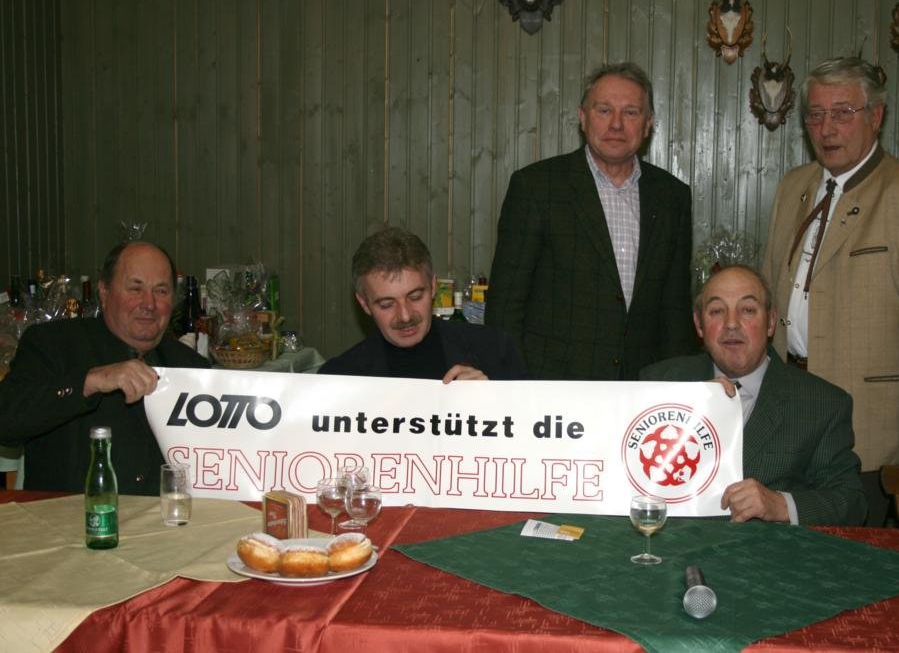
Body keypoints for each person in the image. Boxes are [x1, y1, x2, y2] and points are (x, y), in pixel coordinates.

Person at [761, 57, 899, 526]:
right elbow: (769, 300)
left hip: (868, 427)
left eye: (843, 113)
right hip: (789, 412)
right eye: (816, 115)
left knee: (851, 555)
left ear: (875, 117)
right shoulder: (793, 188)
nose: (827, 128)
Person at [485, 62, 696, 380]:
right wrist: (513, 385)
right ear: (583, 118)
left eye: (630, 112)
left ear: (648, 124)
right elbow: (505, 305)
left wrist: (679, 386)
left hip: (642, 386)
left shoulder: (672, 197)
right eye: (604, 110)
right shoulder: (537, 187)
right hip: (553, 386)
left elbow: (675, 308)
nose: (616, 124)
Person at [641, 265, 867, 526]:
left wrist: (780, 505)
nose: (731, 323)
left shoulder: (822, 404)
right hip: (672, 545)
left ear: (770, 322)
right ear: (699, 324)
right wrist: (690, 407)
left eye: (747, 310)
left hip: (766, 549)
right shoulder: (657, 384)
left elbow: (851, 502)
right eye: (717, 311)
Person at [0, 241, 210, 494]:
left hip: (165, 514)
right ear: (104, 291)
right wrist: (90, 382)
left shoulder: (192, 366)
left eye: (161, 291)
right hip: (71, 514)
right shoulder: (53, 344)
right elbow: (7, 421)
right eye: (135, 289)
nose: (149, 303)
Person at [319, 227, 527, 381]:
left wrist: (493, 400)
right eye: (387, 304)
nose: (405, 316)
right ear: (364, 304)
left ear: (434, 286)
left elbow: (528, 422)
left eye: (416, 296)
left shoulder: (496, 351)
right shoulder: (338, 378)